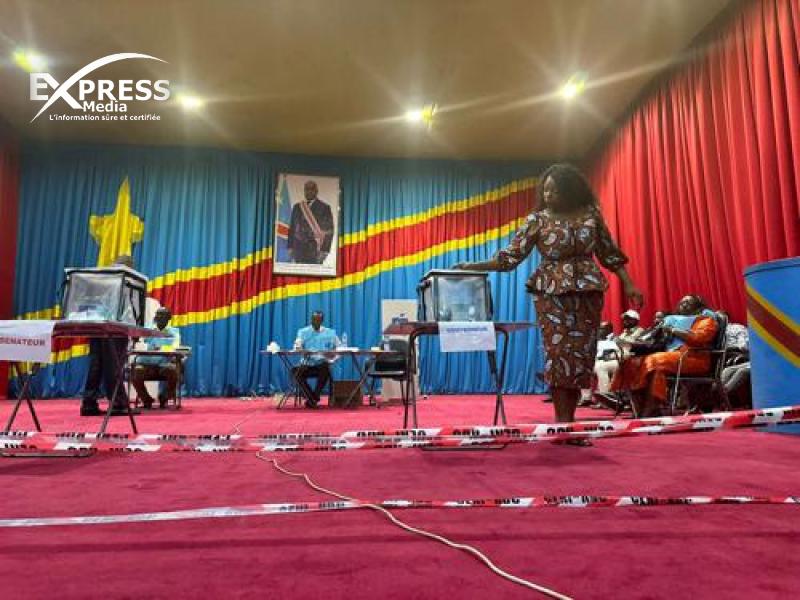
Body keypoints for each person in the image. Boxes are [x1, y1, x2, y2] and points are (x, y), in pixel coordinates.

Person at [454, 163, 644, 439]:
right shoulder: (538, 220)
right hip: (551, 292)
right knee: (559, 355)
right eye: (545, 190)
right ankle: (562, 423)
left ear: (570, 190)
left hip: (588, 292)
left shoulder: (591, 215)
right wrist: (473, 266)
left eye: (554, 190)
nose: (548, 194)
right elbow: (510, 257)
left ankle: (570, 423)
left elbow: (609, 254)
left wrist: (629, 283)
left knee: (581, 356)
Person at [611, 294, 718, 417]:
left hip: (694, 358)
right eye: (682, 302)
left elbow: (699, 338)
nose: (684, 304)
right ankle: (637, 406)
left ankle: (652, 407)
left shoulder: (705, 320)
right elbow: (656, 343)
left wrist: (674, 330)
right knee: (630, 362)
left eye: (688, 302)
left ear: (698, 307)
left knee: (655, 361)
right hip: (672, 357)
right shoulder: (672, 320)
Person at [80, 254, 136, 416]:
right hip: (115, 328)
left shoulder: (102, 280)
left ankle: (88, 403)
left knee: (95, 365)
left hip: (96, 325)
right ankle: (118, 404)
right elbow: (129, 310)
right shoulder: (127, 281)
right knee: (114, 365)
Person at [131, 307, 181, 409]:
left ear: (169, 318)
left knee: (173, 370)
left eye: (162, 315)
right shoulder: (147, 330)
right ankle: (146, 399)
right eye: (157, 314)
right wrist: (136, 340)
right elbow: (141, 344)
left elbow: (175, 346)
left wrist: (160, 347)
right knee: (135, 371)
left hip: (164, 365)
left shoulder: (174, 332)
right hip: (147, 365)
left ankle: (164, 397)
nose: (159, 317)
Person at [292, 310, 339, 408]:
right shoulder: (303, 332)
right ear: (311, 320)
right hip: (306, 364)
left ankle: (313, 398)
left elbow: (339, 348)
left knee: (325, 368)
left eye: (318, 320)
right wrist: (300, 349)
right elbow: (297, 346)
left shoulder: (330, 333)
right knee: (294, 372)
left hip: (321, 365)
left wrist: (332, 358)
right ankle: (312, 398)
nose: (315, 322)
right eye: (314, 319)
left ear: (322, 321)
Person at [287, 180, 335, 264]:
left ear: (316, 191)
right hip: (298, 249)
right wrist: (290, 246)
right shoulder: (297, 207)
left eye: (311, 189)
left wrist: (324, 250)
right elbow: (292, 228)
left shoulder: (324, 207)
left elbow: (329, 230)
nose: (308, 192)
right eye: (306, 189)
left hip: (315, 250)